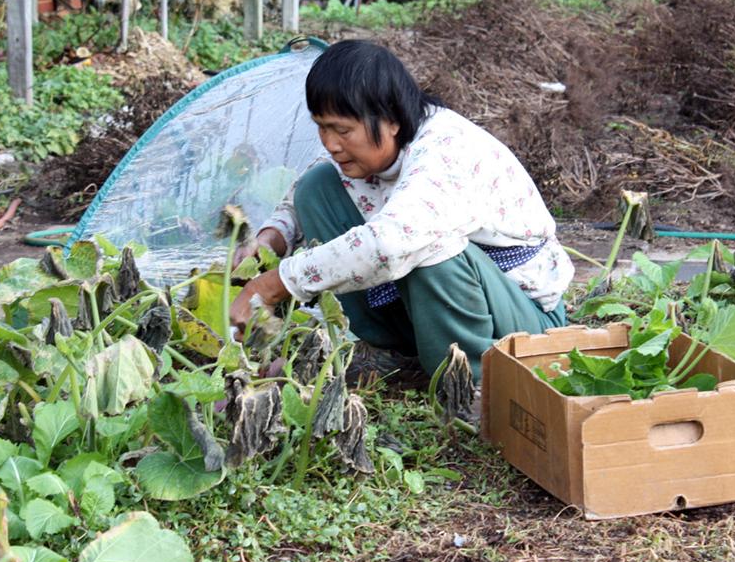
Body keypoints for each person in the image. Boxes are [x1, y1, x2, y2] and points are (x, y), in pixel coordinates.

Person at [229, 40, 573, 379]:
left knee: (425, 245)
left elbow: (391, 242)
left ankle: (468, 380)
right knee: (317, 186)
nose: (331, 143)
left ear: (391, 119)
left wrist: (275, 283)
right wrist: (269, 241)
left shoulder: (445, 149)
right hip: (436, 307)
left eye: (343, 130)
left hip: (524, 324)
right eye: (322, 127)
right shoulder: (375, 145)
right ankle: (387, 349)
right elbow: (301, 195)